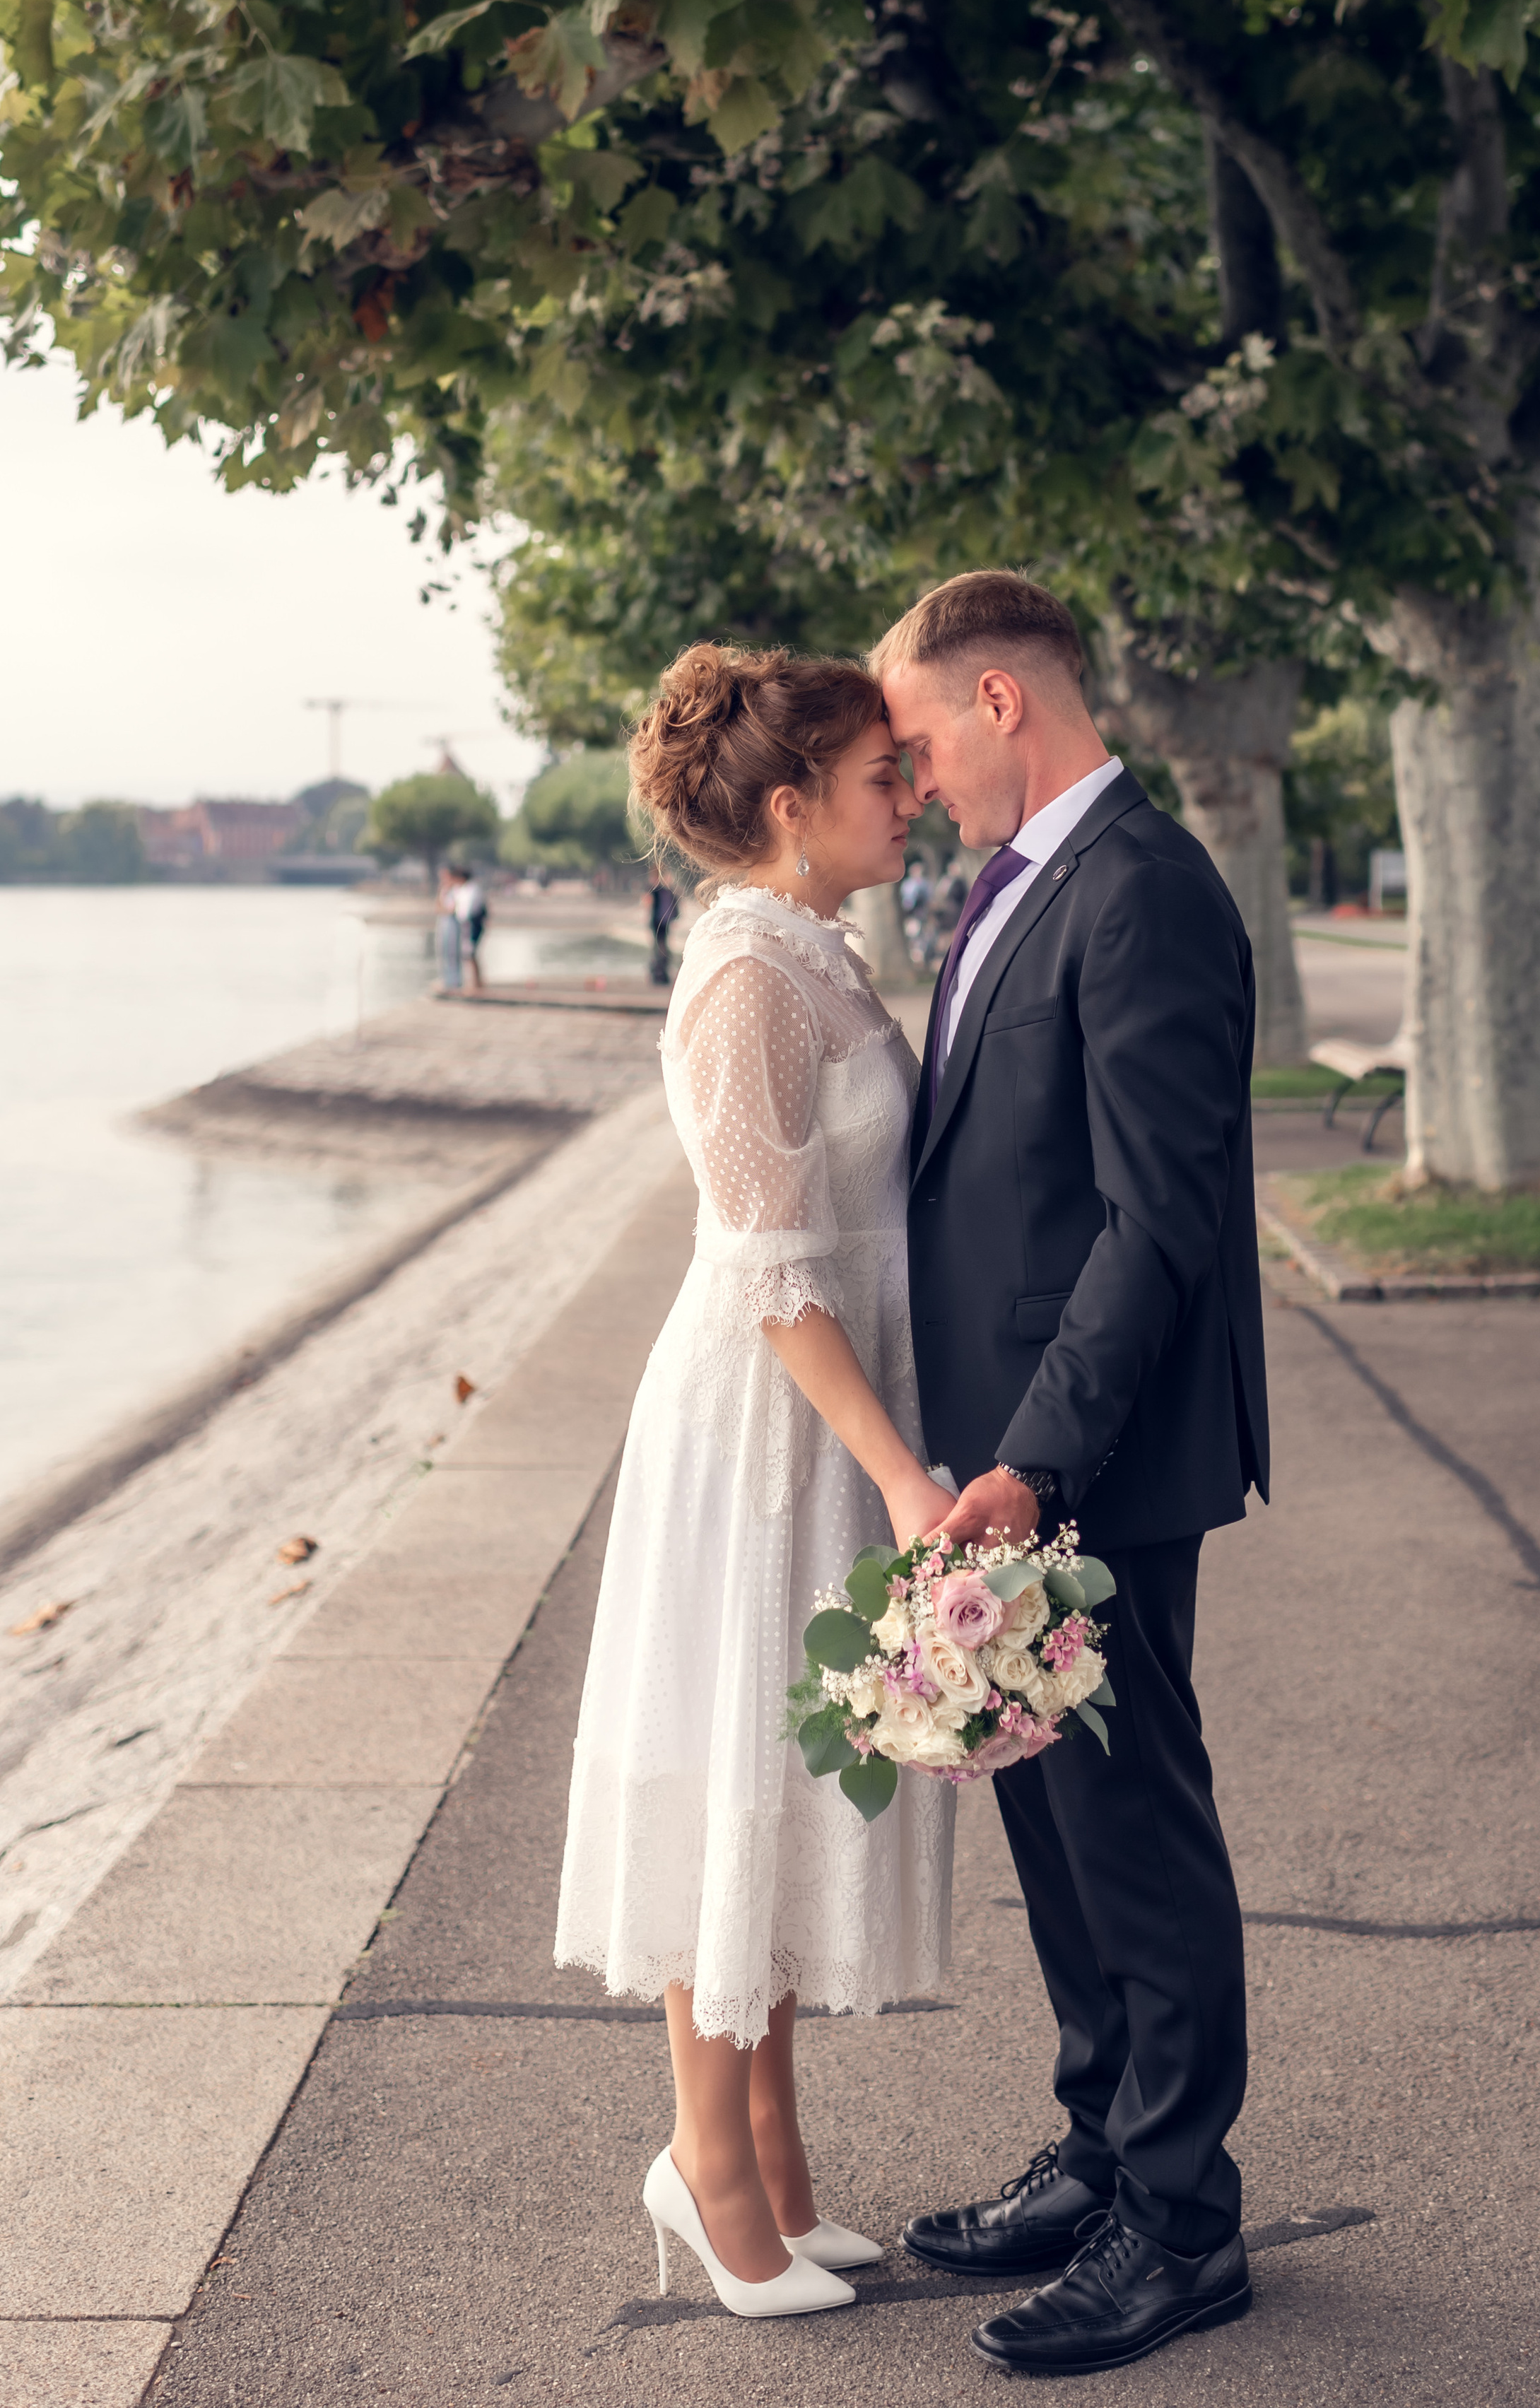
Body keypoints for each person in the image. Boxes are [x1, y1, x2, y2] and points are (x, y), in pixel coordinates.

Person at [874, 570, 1269, 2378]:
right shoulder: (1015, 884)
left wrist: (1038, 1456)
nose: (915, 770)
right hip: (1004, 1459)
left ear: (1001, 699)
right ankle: (1105, 2143)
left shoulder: (1142, 891)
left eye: (920, 735)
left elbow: (1155, 1218)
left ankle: (1179, 2223)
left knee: (1131, 1824)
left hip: (1088, 1452)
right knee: (1044, 1816)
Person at [555, 642, 957, 2320]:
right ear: (790, 806)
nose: (910, 792)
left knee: (792, 1787)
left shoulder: (817, 952)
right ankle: (704, 2161)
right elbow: (770, 1267)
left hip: (831, 1415)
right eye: (883, 774)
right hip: (765, 1428)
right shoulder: (740, 978)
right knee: (734, 1772)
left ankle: (777, 2159)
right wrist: (904, 1474)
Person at [451, 866, 487, 992]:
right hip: (465, 924)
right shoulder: (461, 889)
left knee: (470, 953)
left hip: (472, 924)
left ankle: (476, 982)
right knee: (468, 953)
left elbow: (468, 910)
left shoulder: (472, 889)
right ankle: (475, 981)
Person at [433, 864, 463, 993]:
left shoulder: (457, 890)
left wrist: (445, 910)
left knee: (452, 951)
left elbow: (453, 909)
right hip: (443, 921)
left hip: (453, 922)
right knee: (442, 950)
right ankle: (446, 980)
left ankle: (455, 981)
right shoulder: (444, 889)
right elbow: (438, 907)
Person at [647, 866, 678, 985]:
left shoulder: (668, 891)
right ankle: (658, 974)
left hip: (664, 923)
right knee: (659, 947)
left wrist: (675, 918)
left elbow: (675, 907)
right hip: (658, 923)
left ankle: (661, 973)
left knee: (662, 948)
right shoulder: (657, 891)